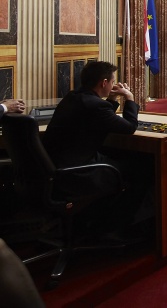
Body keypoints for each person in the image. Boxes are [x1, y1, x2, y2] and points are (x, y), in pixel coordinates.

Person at [43, 61, 152, 233]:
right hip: (78, 173)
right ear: (104, 83)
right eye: (112, 81)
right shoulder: (96, 106)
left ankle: (97, 218)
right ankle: (118, 227)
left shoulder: (73, 97)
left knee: (120, 157)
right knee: (144, 167)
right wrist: (129, 98)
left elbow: (99, 117)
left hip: (56, 169)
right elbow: (130, 127)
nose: (112, 84)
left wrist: (112, 99)